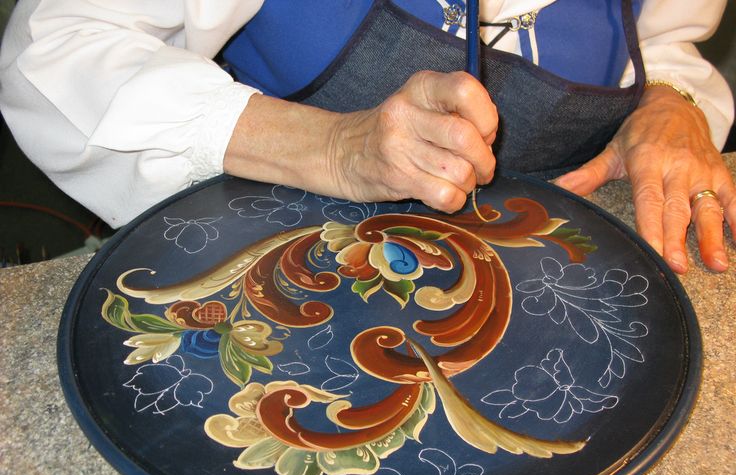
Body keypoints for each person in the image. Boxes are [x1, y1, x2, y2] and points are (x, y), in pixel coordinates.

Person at [0, 0, 733, 274]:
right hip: (276, 281)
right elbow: (55, 50)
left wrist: (672, 103)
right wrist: (331, 147)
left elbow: (665, 44)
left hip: (545, 293)